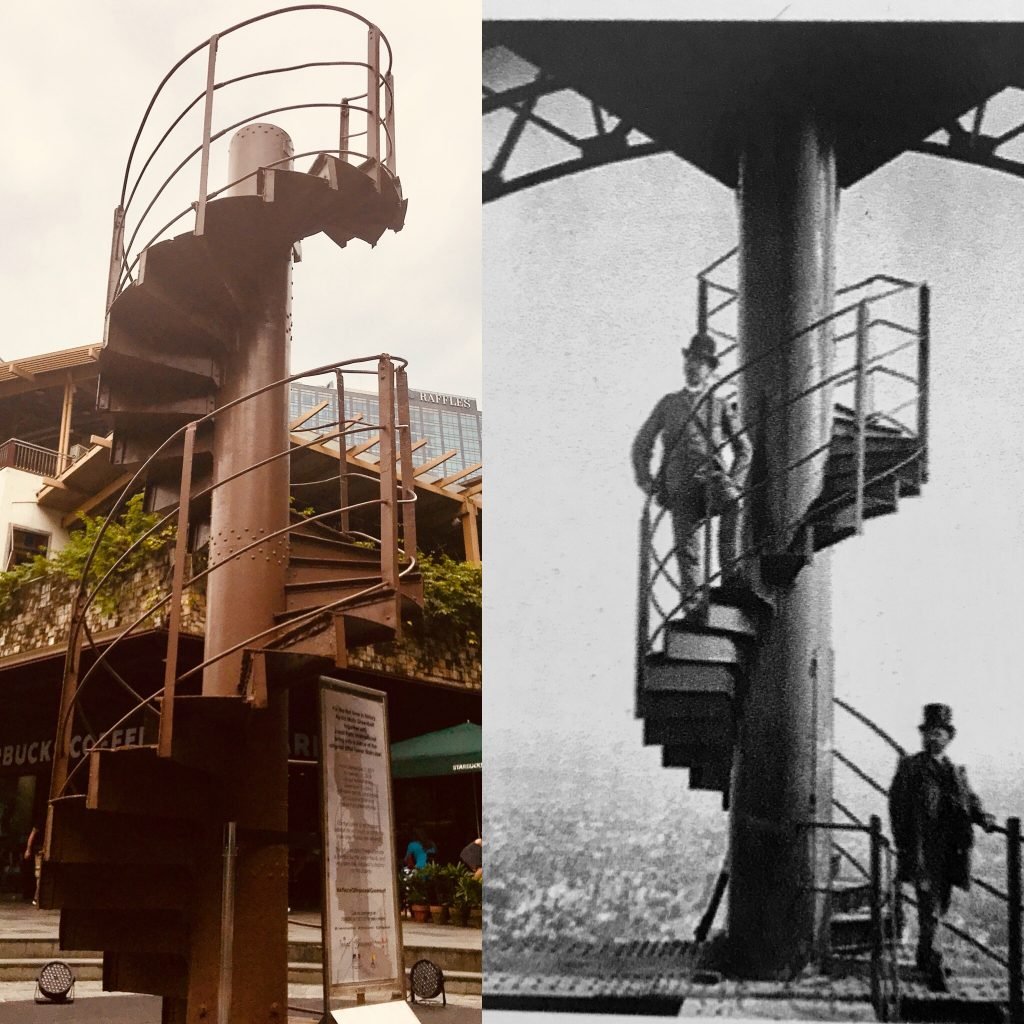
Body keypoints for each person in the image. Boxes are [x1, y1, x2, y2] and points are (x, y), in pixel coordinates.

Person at [631, 332, 751, 607]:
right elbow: (641, 445)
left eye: (699, 362)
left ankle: (731, 574)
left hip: (712, 478)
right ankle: (693, 603)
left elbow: (745, 448)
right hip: (679, 484)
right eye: (689, 360)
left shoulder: (719, 406)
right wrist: (647, 482)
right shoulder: (669, 404)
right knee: (687, 549)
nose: (692, 366)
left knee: (734, 503)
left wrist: (734, 480)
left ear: (709, 369)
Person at [888, 703, 995, 992]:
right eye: (929, 733)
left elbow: (969, 800)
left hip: (950, 853)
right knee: (931, 909)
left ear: (949, 737)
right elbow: (897, 811)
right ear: (923, 736)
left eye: (939, 733)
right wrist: (906, 849)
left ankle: (924, 957)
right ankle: (934, 967)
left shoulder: (955, 771)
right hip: (923, 853)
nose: (933, 738)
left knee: (940, 907)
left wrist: (983, 816)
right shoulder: (911, 768)